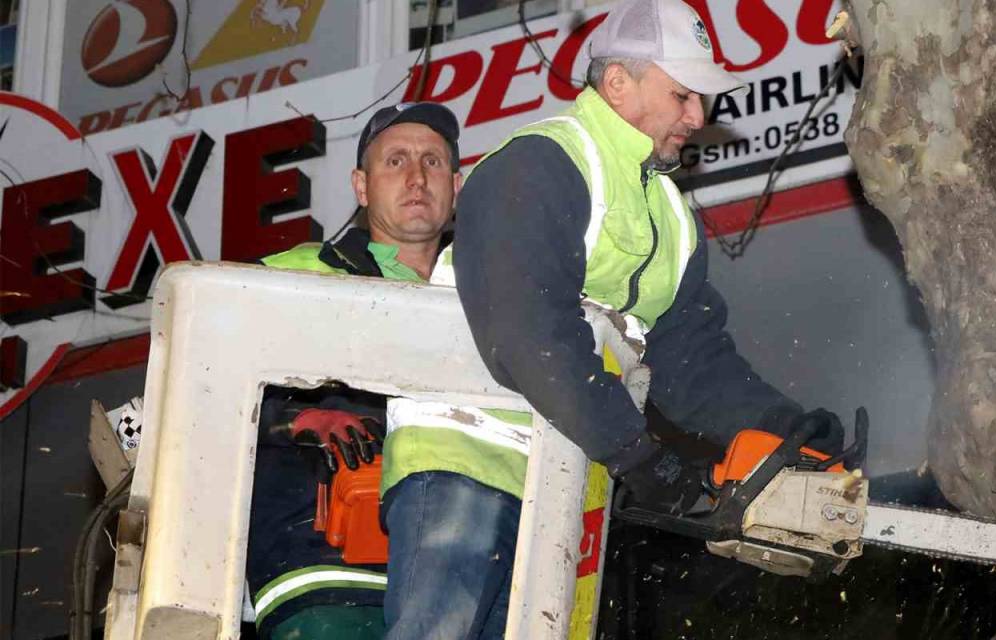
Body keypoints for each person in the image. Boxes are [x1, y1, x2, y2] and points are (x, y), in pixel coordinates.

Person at [454, 0, 861, 518]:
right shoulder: (538, 164)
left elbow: (689, 362)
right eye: (683, 95)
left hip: (569, 473)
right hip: (468, 463)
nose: (698, 116)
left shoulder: (671, 214)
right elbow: (527, 332)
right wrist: (634, 451)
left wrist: (782, 428)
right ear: (619, 83)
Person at [248, 102, 525, 640]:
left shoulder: (494, 301)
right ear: (360, 185)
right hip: (326, 575)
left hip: (482, 579)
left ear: (458, 184)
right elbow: (190, 394)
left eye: (433, 162)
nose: (417, 178)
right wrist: (295, 422)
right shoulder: (291, 276)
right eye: (395, 161)